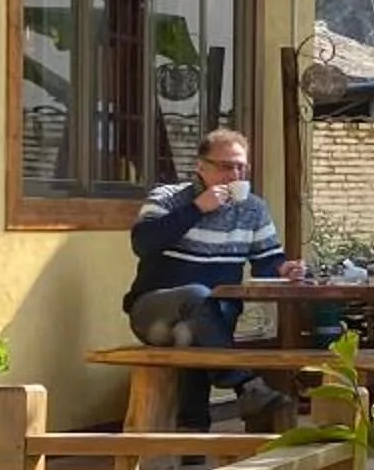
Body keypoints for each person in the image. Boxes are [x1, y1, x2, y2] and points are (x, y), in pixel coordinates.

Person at [127, 128, 305, 432]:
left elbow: (267, 263)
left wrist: (285, 270)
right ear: (201, 166)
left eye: (241, 167)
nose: (234, 175)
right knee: (198, 297)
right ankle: (244, 384)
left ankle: (193, 431)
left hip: (212, 319)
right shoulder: (168, 198)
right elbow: (142, 243)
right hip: (153, 313)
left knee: (192, 332)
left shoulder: (253, 209)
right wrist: (197, 209)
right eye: (225, 167)